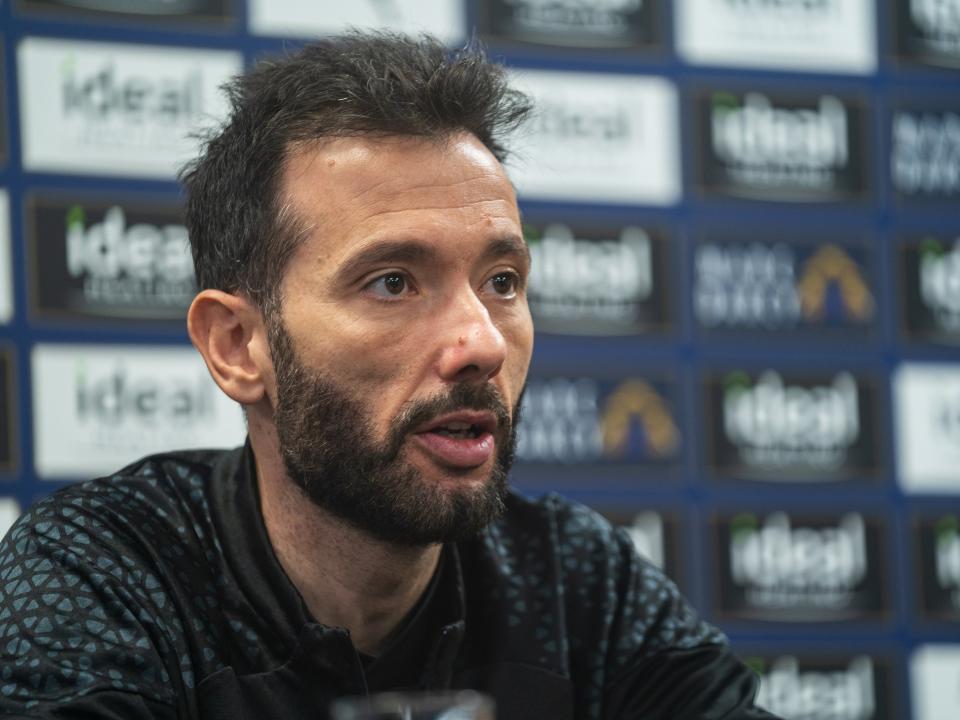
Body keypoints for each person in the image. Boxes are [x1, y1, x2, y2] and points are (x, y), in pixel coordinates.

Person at [0, 33, 778, 720]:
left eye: (502, 281)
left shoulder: (576, 583)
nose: (481, 343)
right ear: (238, 345)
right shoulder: (103, 575)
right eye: (393, 283)